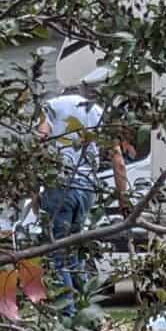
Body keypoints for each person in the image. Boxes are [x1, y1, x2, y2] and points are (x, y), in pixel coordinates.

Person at [38, 79, 108, 315]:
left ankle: (66, 317)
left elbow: (41, 137)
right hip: (87, 188)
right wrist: (123, 196)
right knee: (75, 252)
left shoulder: (52, 105)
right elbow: (116, 155)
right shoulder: (96, 111)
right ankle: (88, 312)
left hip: (60, 185)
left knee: (57, 254)